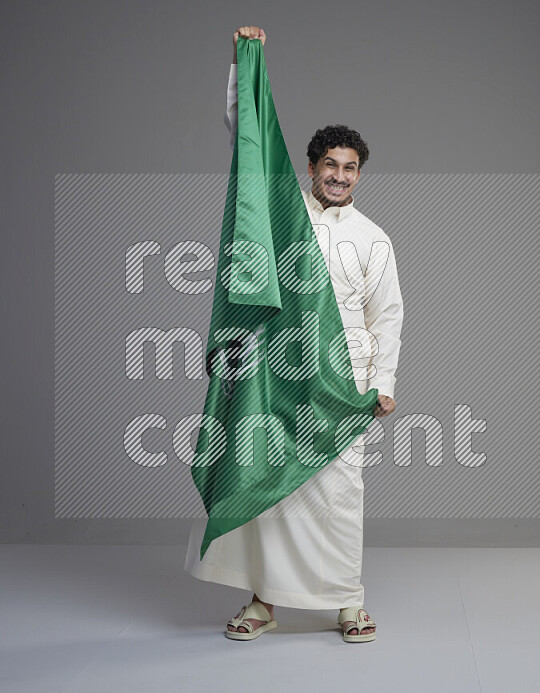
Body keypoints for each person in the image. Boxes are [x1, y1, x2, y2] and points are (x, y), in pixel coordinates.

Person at [184, 26, 403, 643]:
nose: (338, 176)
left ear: (361, 174)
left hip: (342, 377)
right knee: (270, 488)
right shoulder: (282, 212)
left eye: (349, 168)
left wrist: (384, 380)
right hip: (276, 369)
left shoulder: (373, 238)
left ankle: (347, 603)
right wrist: (241, 63)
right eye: (329, 165)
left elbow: (388, 313)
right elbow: (246, 143)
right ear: (310, 168)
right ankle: (263, 603)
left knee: (339, 494)